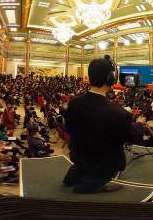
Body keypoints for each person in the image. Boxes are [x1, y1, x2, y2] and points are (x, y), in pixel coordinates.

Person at [62, 55, 145, 194]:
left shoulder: (74, 103)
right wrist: (140, 124)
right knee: (103, 169)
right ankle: (94, 183)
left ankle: (79, 172)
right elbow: (133, 136)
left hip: (79, 156)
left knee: (83, 163)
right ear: (110, 78)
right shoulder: (118, 113)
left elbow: (69, 129)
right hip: (103, 164)